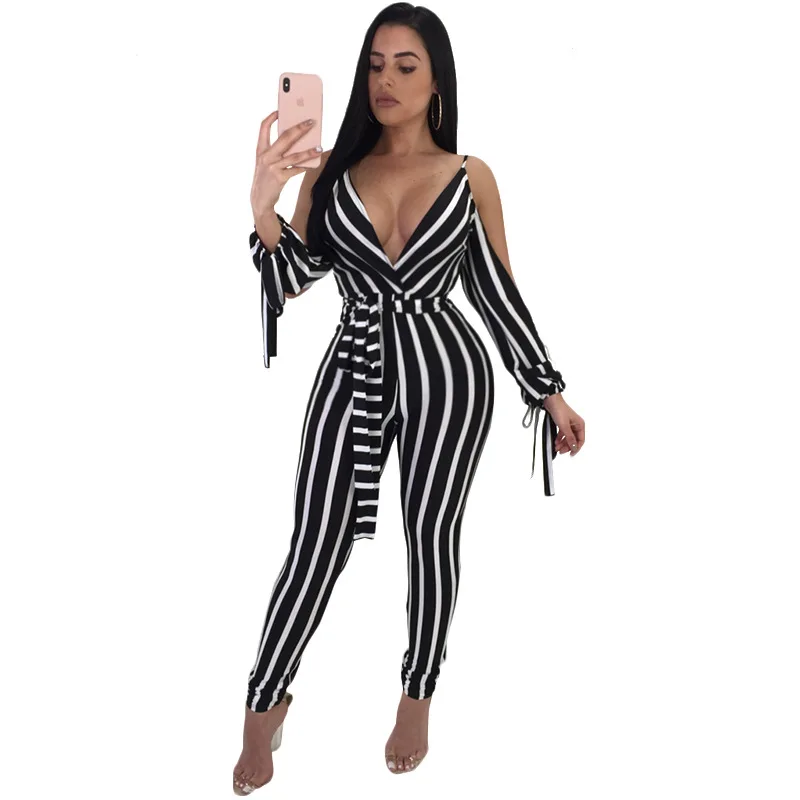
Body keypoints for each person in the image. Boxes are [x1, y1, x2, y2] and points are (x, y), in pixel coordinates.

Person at [233, 3, 586, 793]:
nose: (384, 80)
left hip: (449, 374)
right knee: (314, 542)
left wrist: (549, 393)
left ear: (436, 83)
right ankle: (264, 701)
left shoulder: (469, 175)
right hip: (352, 362)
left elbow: (497, 293)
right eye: (374, 64)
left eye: (405, 65)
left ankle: (416, 694)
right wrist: (263, 206)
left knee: (431, 537)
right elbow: (290, 281)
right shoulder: (329, 171)